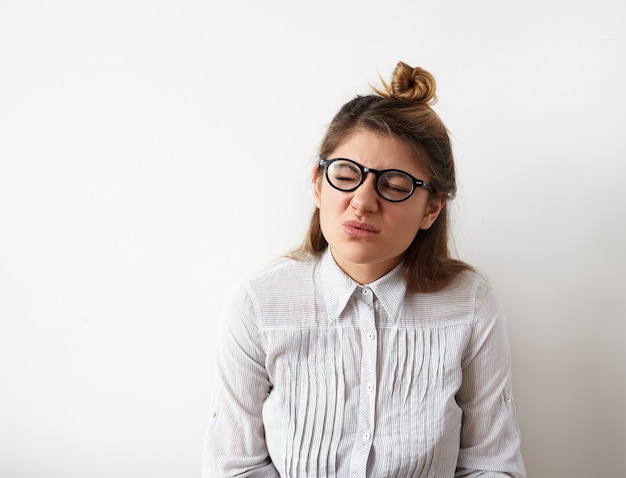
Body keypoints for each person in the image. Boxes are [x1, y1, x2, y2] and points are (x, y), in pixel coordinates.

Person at [202, 61, 527, 477]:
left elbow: (492, 465)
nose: (362, 201)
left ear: (432, 208)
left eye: (393, 185)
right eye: (346, 175)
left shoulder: (470, 304)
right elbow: (234, 466)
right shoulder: (258, 306)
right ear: (318, 183)